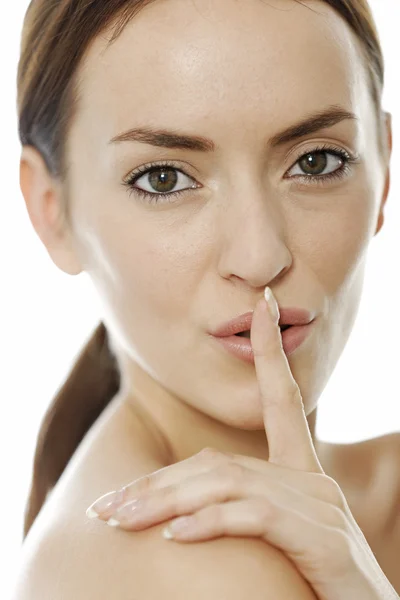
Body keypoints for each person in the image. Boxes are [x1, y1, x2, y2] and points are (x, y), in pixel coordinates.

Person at [13, 0, 399, 597]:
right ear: (50, 211)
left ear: (385, 167)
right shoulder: (189, 569)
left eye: (317, 161)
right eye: (163, 178)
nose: (260, 255)